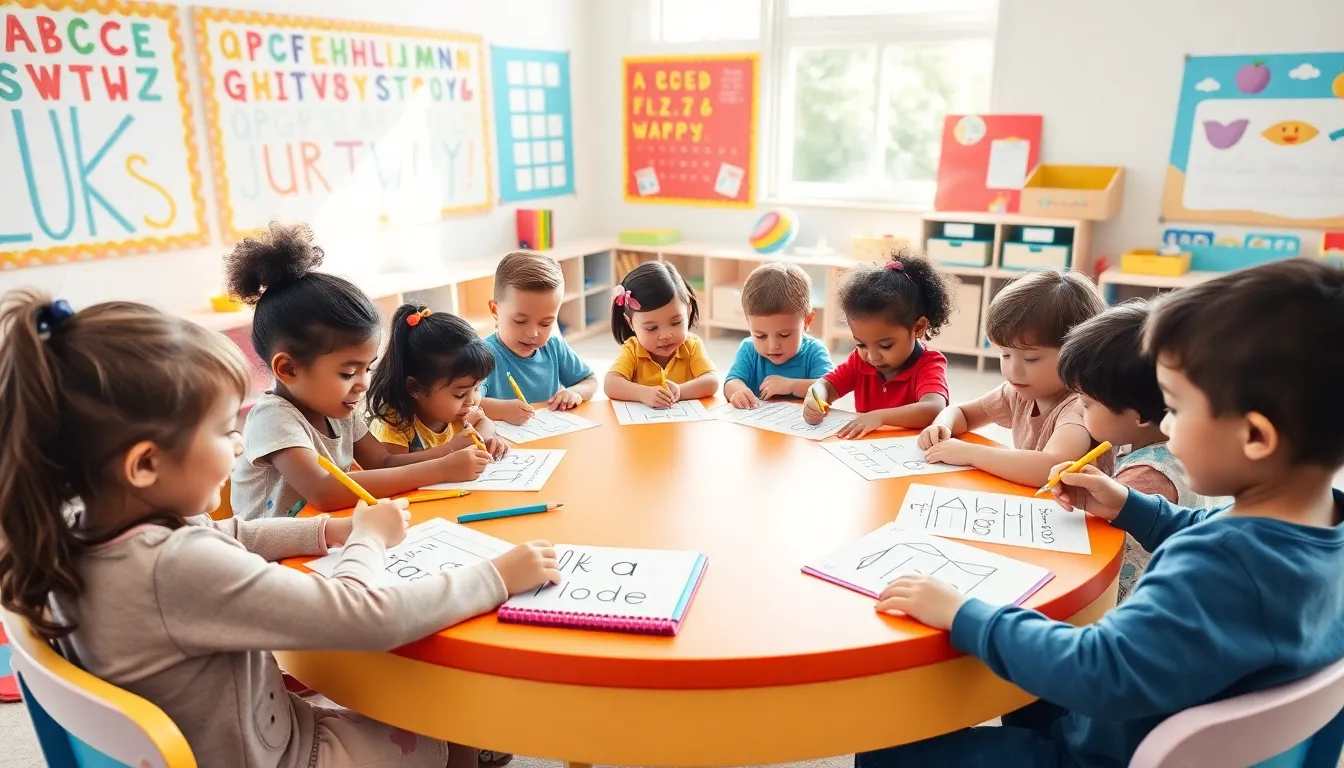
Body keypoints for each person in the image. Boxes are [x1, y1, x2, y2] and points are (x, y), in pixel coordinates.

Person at [0, 289, 562, 768]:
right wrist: (494, 573)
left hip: (237, 735)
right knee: (449, 707)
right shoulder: (173, 568)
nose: (240, 446)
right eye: (223, 433)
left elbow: (231, 534)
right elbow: (368, 618)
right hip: (284, 754)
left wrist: (328, 533)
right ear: (144, 464)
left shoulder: (81, 529)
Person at [862, 258, 1344, 767]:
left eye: (1175, 409)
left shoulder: (1215, 568)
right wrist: (1133, 506)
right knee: (1025, 670)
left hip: (1101, 750)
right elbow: (1206, 524)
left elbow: (1099, 671)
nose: (1165, 427)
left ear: (1254, 437)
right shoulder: (1315, 520)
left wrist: (963, 614)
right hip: (1155, 710)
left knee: (885, 750)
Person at [226, 223, 490, 518]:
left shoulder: (340, 409)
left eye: (368, 368)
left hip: (327, 540)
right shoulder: (272, 419)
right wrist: (440, 468)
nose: (363, 383)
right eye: (348, 373)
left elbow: (384, 462)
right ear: (288, 368)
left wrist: (448, 453)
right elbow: (325, 490)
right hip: (276, 558)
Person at [919, 269, 1110, 487]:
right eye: (1005, 354)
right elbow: (962, 413)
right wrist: (942, 424)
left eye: (1031, 358)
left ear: (1078, 354)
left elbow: (1050, 468)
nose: (1013, 371)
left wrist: (969, 453)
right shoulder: (1020, 391)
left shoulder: (1081, 407)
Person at [804, 252, 955, 438]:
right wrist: (815, 397)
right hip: (866, 452)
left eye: (885, 346)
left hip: (912, 453)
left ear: (918, 328)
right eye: (861, 344)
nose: (872, 356)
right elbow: (826, 385)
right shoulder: (860, 362)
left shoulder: (929, 363)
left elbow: (934, 408)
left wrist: (879, 417)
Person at [478, 251, 597, 425]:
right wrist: (502, 410)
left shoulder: (554, 346)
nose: (533, 333)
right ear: (496, 310)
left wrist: (575, 392)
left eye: (545, 323)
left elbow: (590, 380)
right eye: (520, 321)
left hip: (551, 438)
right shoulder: (481, 356)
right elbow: (467, 404)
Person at [604, 261, 719, 406]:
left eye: (676, 322)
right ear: (630, 323)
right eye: (652, 328)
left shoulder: (692, 345)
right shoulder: (632, 349)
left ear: (688, 311)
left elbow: (711, 381)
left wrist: (680, 391)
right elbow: (610, 384)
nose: (665, 335)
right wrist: (642, 393)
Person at [724, 262, 834, 409]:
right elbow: (732, 381)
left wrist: (792, 385)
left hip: (801, 428)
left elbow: (830, 389)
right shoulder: (749, 349)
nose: (772, 346)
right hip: (761, 426)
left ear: (807, 321)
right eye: (760, 336)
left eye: (784, 335)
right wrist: (738, 391)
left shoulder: (815, 352)